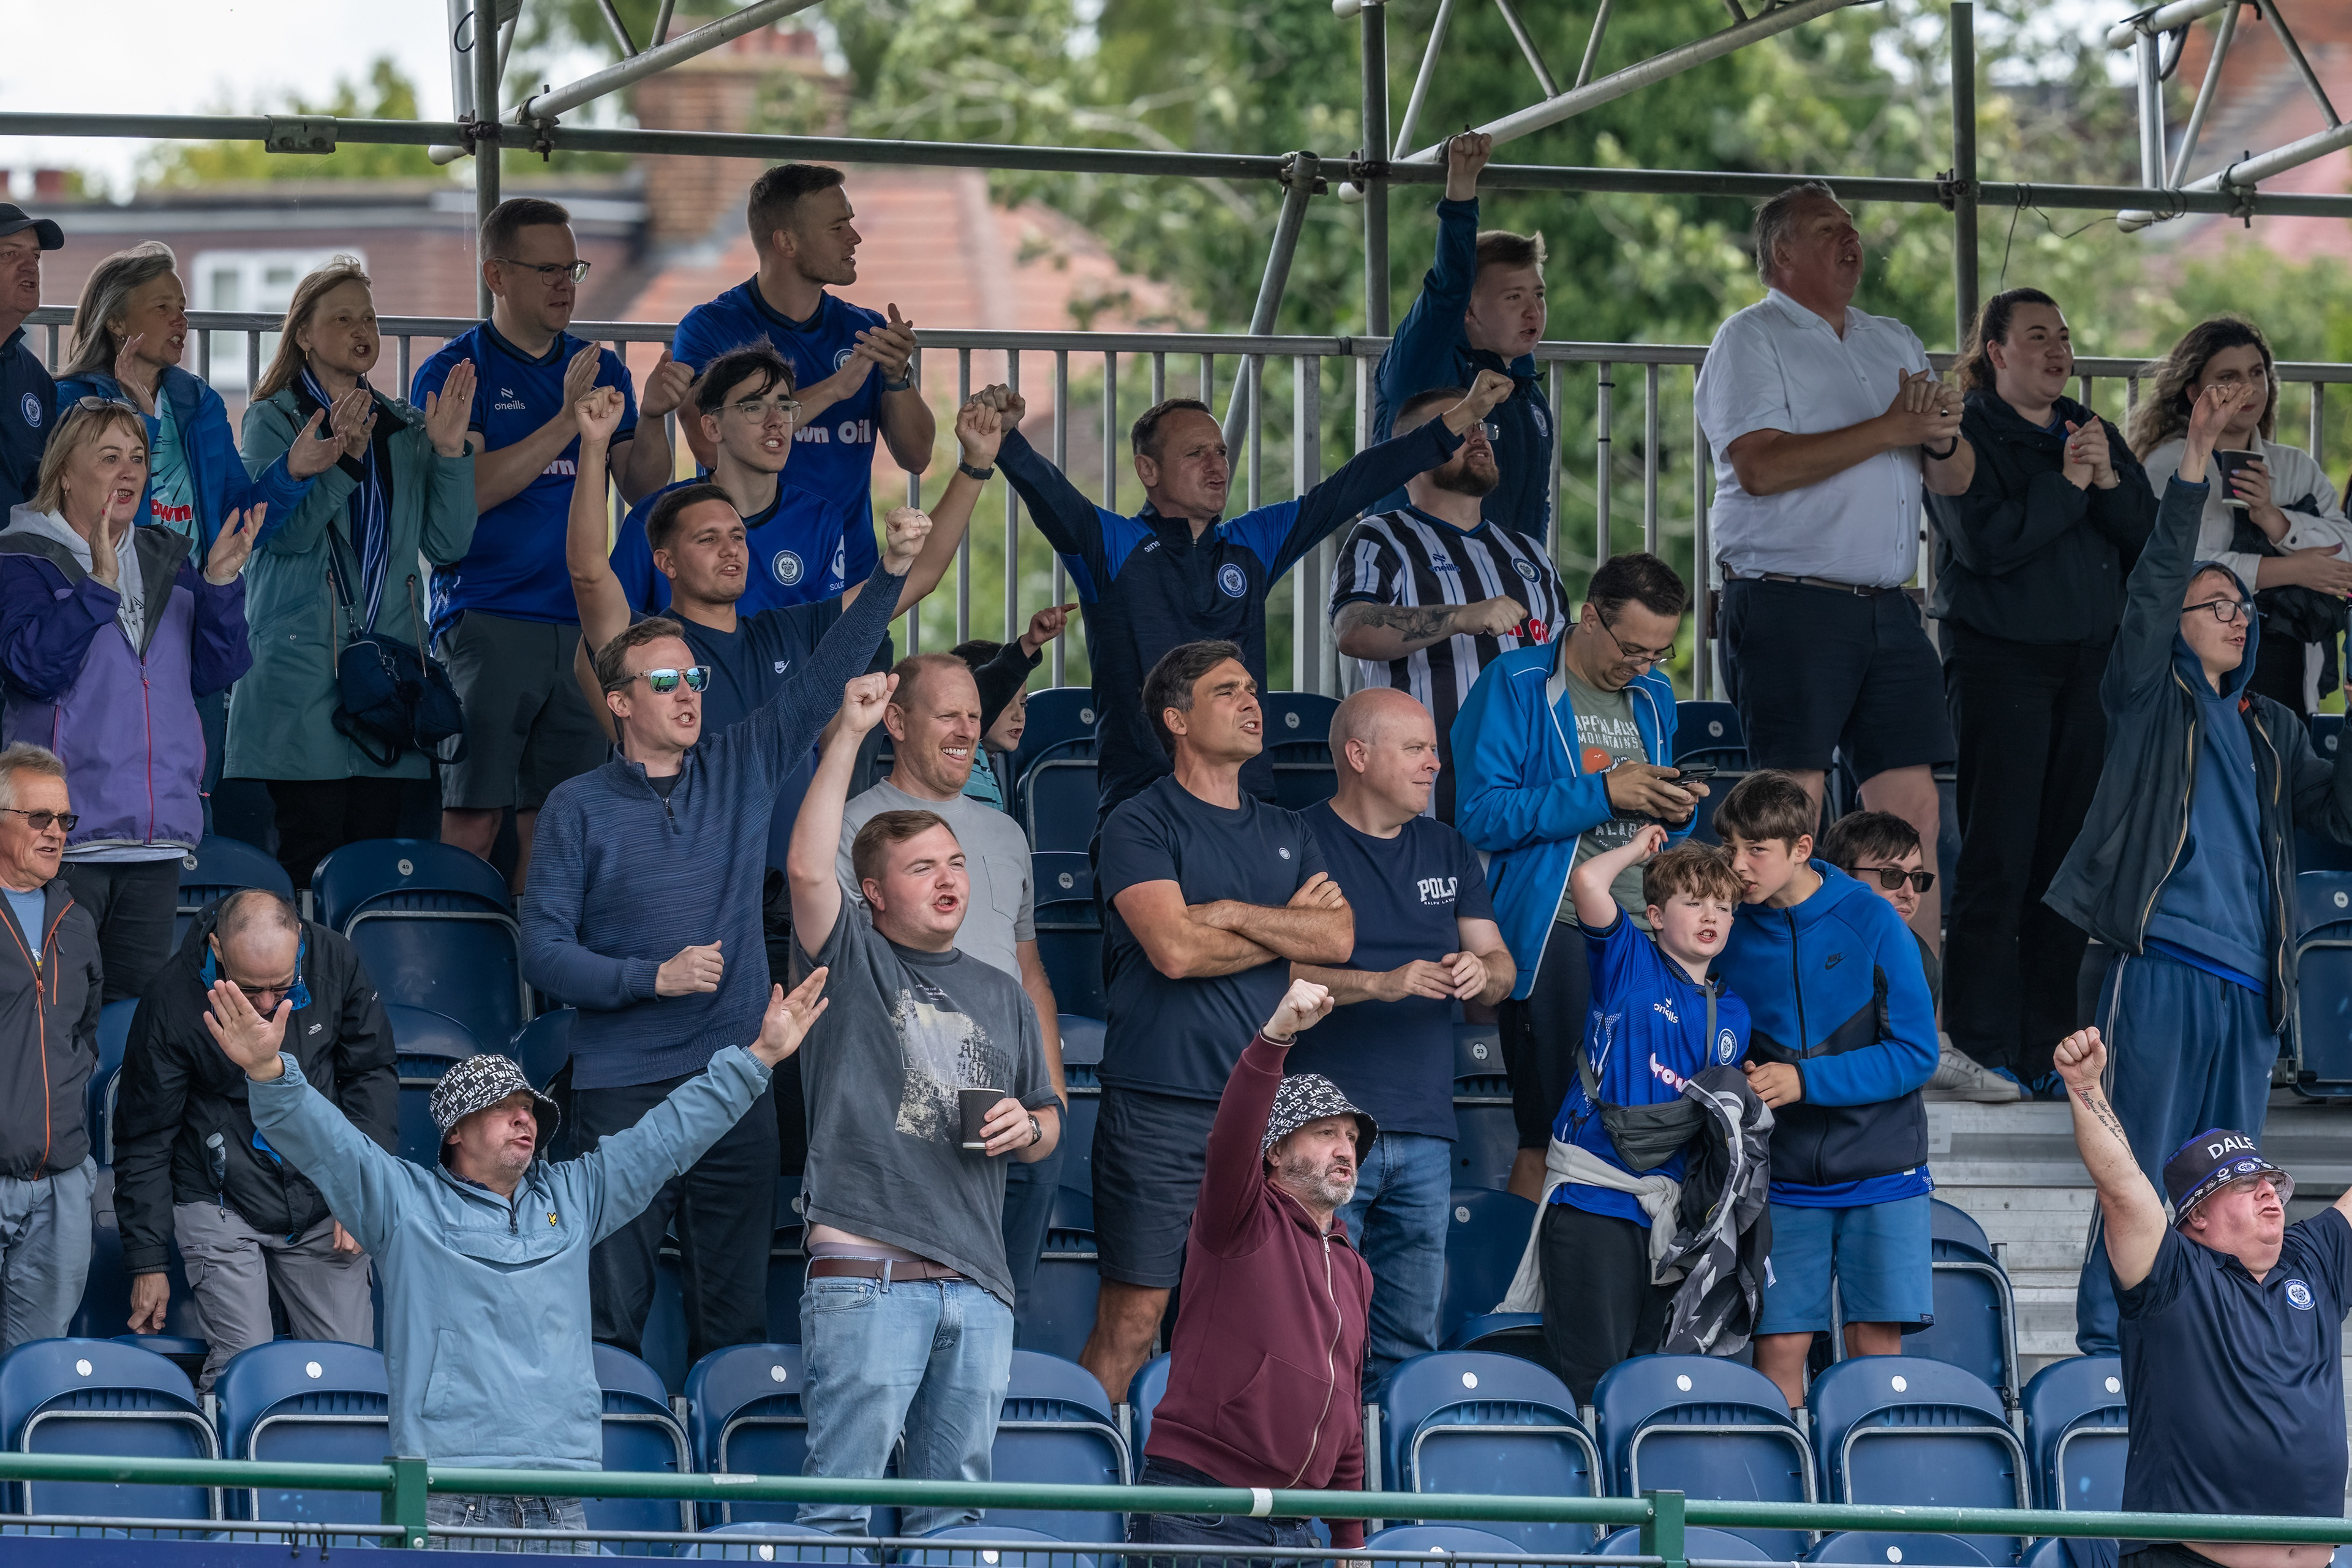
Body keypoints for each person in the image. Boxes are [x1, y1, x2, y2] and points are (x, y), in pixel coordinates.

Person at [202, 928, 831, 1545]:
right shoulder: (404, 1203)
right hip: (448, 1499)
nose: (523, 1118)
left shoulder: (575, 1196)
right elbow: (328, 1142)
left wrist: (758, 1058)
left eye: (528, 1108)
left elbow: (667, 1136)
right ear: (455, 1131)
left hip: (562, 1499)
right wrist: (268, 1070)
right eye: (502, 1108)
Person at [524, 484, 919, 1371]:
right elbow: (540, 952)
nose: (688, 694)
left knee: (733, 1326)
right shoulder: (577, 806)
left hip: (733, 1082)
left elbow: (826, 670)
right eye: (664, 682)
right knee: (607, 1323)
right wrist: (649, 978)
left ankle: (720, 1465)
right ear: (619, 702)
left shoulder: (741, 761)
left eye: (694, 679)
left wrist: (892, 570)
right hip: (621, 1094)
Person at [2046, 379, 2352, 1357]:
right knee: (2138, 1165)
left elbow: (2341, 816)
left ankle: (2213, 1342)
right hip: (2160, 962)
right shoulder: (2148, 697)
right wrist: (2191, 466)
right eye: (2213, 603)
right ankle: (2108, 1351)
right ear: (2173, 624)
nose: (2234, 615)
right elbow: (2153, 585)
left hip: (2250, 988)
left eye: (2241, 605)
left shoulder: (2273, 730)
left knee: (2229, 1185)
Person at [987, 371, 1515, 823]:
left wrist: (1461, 417)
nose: (1217, 466)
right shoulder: (1112, 544)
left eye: (1221, 452)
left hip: (1248, 806)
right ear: (1148, 470)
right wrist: (1006, 436)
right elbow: (1047, 492)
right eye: (1196, 454)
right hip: (1145, 806)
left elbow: (1352, 485)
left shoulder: (1252, 542)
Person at [786, 669, 1061, 1539]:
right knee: (838, 1517)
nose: (949, 879)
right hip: (867, 1275)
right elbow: (807, 867)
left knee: (955, 1526)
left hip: (976, 1285)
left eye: (955, 864)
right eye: (921, 868)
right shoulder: (852, 958)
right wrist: (848, 734)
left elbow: (1049, 1121)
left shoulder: (1002, 992)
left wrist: (1029, 1127)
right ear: (873, 893)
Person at [1694, 181, 1972, 952]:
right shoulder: (1750, 337)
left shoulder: (1894, 338)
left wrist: (1940, 435)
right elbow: (1760, 467)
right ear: (1782, 253)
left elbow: (1954, 479)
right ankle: (1788, 998)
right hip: (1790, 599)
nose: (1852, 241)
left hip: (1889, 604)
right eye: (1827, 230)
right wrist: (1891, 426)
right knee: (1792, 813)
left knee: (1913, 813)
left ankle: (1911, 1001)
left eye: (1852, 228)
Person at [1084, 639, 1353, 1407]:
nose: (1251, 702)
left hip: (1265, 1114)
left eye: (1252, 689)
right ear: (1177, 719)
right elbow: (1174, 950)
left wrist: (1229, 912)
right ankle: (1082, 1474)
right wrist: (1284, 928)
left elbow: (1336, 939)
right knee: (1135, 1321)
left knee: (1250, 1322)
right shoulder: (1138, 822)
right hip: (1159, 1105)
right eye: (1227, 690)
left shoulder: (1288, 827)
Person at [409, 196, 692, 889]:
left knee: (559, 821)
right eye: (547, 271)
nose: (565, 285)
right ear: (496, 275)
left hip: (584, 625)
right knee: (473, 817)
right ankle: (460, 950)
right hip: (488, 615)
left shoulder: (603, 368)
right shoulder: (456, 372)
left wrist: (655, 416)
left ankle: (538, 955)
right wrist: (568, 421)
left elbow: (642, 488)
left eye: (573, 269)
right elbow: (467, 493)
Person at [1926, 287, 2154, 1097]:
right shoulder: (1965, 431)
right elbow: (1986, 544)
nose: (2058, 350)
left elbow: (2147, 536)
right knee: (2001, 851)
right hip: (2002, 664)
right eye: (2037, 336)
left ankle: (2051, 1049)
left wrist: (2107, 479)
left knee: (2066, 861)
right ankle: (1982, 1042)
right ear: (1996, 351)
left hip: (2089, 668)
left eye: (2063, 335)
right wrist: (2066, 485)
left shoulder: (2089, 427)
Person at [1450, 551, 1704, 1201]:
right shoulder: (1516, 682)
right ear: (1590, 617)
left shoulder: (1655, 696)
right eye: (1633, 649)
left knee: (1641, 1128)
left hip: (1645, 931)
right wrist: (1603, 793)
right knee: (1551, 1134)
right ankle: (1527, 1269)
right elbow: (1480, 814)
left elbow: (1650, 827)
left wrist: (1676, 812)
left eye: (1660, 653)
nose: (1643, 666)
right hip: (1557, 929)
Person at [1284, 686, 1513, 1394]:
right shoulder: (1295, 839)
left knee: (1408, 1344)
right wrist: (1379, 983)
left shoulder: (1448, 845)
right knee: (1316, 1332)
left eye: (1433, 750)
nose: (1434, 764)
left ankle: (1391, 1468)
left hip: (1425, 1130)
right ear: (1358, 755)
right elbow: (1270, 973)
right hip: (1323, 1129)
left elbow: (1501, 966)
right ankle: (1323, 1467)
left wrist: (1482, 970)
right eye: (1415, 748)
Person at [2052, 1023, 2350, 1568]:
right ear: (2198, 1216)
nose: (2268, 1191)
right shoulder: (2174, 1274)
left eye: (2270, 1181)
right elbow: (2122, 1188)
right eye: (2244, 1184)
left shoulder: (2313, 1259)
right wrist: (2085, 1088)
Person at [228, 257, 479, 889]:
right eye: (342, 319)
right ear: (304, 335)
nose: (362, 330)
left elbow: (448, 544)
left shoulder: (403, 425)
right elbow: (284, 535)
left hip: (388, 674)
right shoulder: (273, 418)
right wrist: (343, 463)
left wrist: (450, 452)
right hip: (302, 668)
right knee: (307, 857)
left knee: (374, 867)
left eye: (368, 318)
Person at [0, 400, 257, 1003]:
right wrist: (96, 587)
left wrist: (220, 584)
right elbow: (32, 669)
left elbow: (215, 672)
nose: (129, 472)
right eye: (109, 456)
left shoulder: (167, 555)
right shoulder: (21, 557)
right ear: (65, 473)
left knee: (132, 1022)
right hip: (62, 834)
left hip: (152, 838)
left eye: (138, 458)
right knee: (55, 1013)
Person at [834, 651, 1069, 1310]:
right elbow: (837, 969)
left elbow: (1029, 971)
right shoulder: (853, 826)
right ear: (897, 722)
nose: (967, 729)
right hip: (913, 1123)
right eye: (948, 715)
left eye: (974, 714)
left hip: (1016, 1108)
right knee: (917, 1311)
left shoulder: (1007, 833)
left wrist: (1051, 1101)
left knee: (1006, 1307)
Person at [1711, 769, 1939, 1410]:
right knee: (1780, 1347)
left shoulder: (1872, 918)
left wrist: (1805, 1080)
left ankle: (1868, 1478)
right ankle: (1790, 1478)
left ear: (1802, 849)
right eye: (1730, 847)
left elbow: (1916, 1054)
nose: (1739, 865)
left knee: (1874, 1347)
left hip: (1883, 1170)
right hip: (1782, 1177)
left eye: (1757, 849)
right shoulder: (1727, 925)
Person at [1131, 978, 1372, 1563]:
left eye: (1351, 1137)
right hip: (1201, 1511)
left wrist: (1349, 1536)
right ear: (1275, 1151)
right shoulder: (1240, 1219)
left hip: (1294, 1529)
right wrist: (1276, 1037)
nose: (1345, 1148)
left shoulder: (1354, 1267)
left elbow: (1346, 1412)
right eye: (1325, 1133)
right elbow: (1232, 1136)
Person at [114, 888, 394, 1390]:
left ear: (300, 941)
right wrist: (148, 1261)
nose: (267, 1005)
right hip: (218, 1197)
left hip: (322, 1193)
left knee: (349, 1377)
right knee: (246, 1372)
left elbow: (370, 1075)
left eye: (281, 987)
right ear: (218, 948)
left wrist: (360, 1191)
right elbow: (146, 1135)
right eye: (250, 989)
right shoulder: (172, 997)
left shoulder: (336, 962)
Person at [1531, 823, 1747, 1404]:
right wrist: (1636, 851)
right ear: (1655, 915)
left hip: (1671, 1221)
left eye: (1723, 907)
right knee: (1592, 1381)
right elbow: (1586, 880)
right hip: (1596, 1202)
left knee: (1650, 1385)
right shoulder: (1628, 960)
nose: (1710, 915)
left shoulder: (1735, 1011)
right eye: (1693, 902)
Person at [1331, 385, 1568, 821]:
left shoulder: (1530, 553)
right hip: (1425, 804)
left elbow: (1565, 666)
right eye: (1459, 427)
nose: (1478, 436)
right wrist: (1460, 616)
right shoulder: (1382, 536)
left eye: (1481, 425)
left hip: (1528, 802)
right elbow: (1352, 629)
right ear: (1415, 452)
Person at [54, 239, 349, 550]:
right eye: (162, 307)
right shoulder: (72, 402)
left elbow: (235, 525)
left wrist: (290, 472)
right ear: (116, 321)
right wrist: (142, 419)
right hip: (112, 580)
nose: (181, 320)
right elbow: (89, 514)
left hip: (196, 582)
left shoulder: (200, 402)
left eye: (182, 308)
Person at [671, 163, 935, 510]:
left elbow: (917, 458)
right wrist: (835, 389)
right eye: (837, 227)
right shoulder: (710, 327)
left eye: (850, 223)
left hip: (849, 546)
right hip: (748, 544)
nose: (855, 238)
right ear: (786, 242)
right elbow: (708, 449)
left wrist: (898, 377)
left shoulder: (865, 328)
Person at [2133, 316, 2352, 717]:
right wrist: (2293, 570)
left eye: (2256, 373)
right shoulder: (2168, 464)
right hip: (2198, 655)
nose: (2247, 388)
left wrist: (2274, 519)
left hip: (2289, 659)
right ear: (2195, 392)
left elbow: (2346, 555)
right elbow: (2180, 564)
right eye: (2228, 377)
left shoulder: (2295, 466)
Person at [1371, 132, 1552, 541]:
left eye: (1538, 295)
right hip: (1417, 571)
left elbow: (1535, 504)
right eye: (1513, 297)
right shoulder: (1425, 370)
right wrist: (1461, 190)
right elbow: (1447, 291)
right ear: (1468, 311)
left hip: (1503, 575)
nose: (1533, 311)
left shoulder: (1526, 389)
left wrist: (1535, 566)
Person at [609, 341, 873, 619]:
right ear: (713, 427)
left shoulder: (821, 519)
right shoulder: (653, 517)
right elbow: (609, 632)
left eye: (784, 406)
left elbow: (828, 631)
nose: (776, 421)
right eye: (754, 407)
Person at [0, 743, 102, 1352]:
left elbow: (82, 1033)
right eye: (40, 817)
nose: (56, 832)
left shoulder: (77, 919)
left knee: (37, 1369)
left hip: (60, 1181)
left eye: (65, 819)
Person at [948, 603, 1076, 812]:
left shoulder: (995, 768)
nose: (1019, 716)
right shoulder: (953, 749)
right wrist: (1029, 645)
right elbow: (995, 682)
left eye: (1023, 704)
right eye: (1005, 703)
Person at [0, 203, 63, 516]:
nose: (30, 267)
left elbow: (42, 488)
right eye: (9, 254)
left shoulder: (35, 378)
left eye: (35, 256)